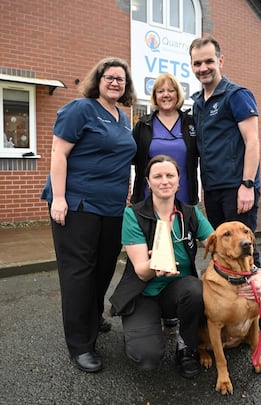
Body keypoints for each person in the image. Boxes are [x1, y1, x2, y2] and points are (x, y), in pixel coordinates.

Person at [41, 57, 137, 373]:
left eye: (120, 79)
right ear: (98, 79)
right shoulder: (80, 109)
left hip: (111, 208)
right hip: (78, 203)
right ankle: (81, 345)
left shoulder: (123, 117)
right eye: (109, 77)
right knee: (78, 274)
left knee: (103, 267)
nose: (115, 82)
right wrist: (59, 197)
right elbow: (59, 152)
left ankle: (93, 317)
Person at [110, 155, 214, 379]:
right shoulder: (133, 214)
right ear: (148, 181)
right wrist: (155, 265)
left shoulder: (191, 213)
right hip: (144, 291)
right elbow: (141, 270)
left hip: (178, 290)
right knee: (146, 358)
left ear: (179, 181)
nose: (164, 181)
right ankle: (143, 327)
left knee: (196, 288)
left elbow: (219, 246)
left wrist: (253, 272)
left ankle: (185, 346)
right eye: (157, 176)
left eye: (170, 175)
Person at [189, 35, 261, 268]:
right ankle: (227, 303)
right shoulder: (199, 103)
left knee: (245, 251)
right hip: (213, 190)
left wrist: (248, 185)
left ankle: (254, 301)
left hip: (237, 188)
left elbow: (252, 141)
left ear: (220, 61)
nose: (203, 68)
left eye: (208, 61)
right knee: (224, 252)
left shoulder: (237, 95)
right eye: (197, 63)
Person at [131, 73, 199, 205]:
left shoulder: (190, 123)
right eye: (160, 91)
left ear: (178, 94)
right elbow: (130, 157)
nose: (165, 95)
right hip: (149, 198)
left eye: (171, 91)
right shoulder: (143, 125)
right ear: (155, 96)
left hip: (184, 197)